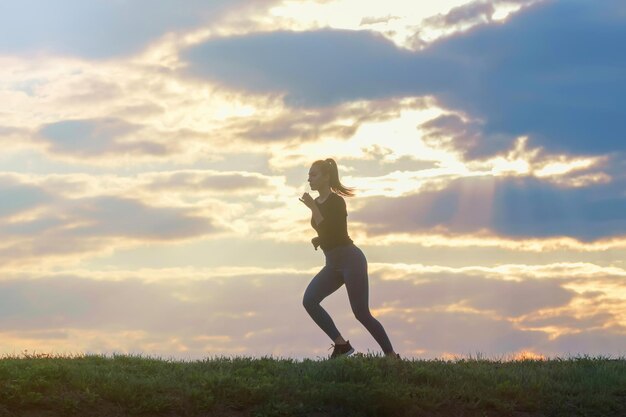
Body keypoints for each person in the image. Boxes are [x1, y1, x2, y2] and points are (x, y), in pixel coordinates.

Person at [299, 158, 400, 359]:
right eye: (309, 174)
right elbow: (326, 232)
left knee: (361, 313)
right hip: (332, 264)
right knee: (309, 300)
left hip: (351, 261)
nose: (309, 178)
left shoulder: (336, 201)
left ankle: (391, 356)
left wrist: (313, 208)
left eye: (313, 174)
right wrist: (319, 239)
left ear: (326, 177)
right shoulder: (318, 202)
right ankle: (341, 345)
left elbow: (333, 229)